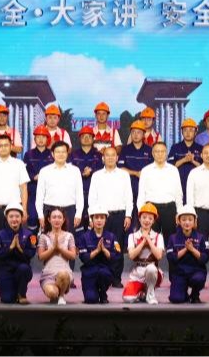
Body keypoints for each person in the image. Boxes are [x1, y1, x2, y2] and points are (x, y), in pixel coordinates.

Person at [88, 145, 133, 287]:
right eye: (107, 155)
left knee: (117, 247)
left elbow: (129, 197)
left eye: (113, 155)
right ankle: (100, 276)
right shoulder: (96, 175)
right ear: (103, 158)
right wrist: (91, 217)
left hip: (119, 215)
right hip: (101, 217)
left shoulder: (124, 175)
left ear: (117, 158)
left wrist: (128, 215)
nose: (110, 158)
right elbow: (92, 198)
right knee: (100, 246)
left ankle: (116, 278)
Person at [0, 134, 31, 236]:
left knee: (15, 241)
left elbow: (24, 189)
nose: (3, 148)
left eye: (6, 145)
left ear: (11, 146)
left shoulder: (19, 164)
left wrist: (24, 210)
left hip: (14, 210)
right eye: (1, 145)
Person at [136, 141, 184, 243]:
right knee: (151, 242)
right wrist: (141, 213)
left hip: (169, 209)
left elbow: (178, 193)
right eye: (157, 151)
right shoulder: (146, 170)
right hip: (151, 209)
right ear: (153, 153)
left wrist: (179, 212)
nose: (160, 154)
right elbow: (141, 194)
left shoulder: (173, 170)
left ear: (166, 153)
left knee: (171, 241)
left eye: (162, 151)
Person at [0, 203, 37, 304]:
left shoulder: (30, 235)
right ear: (6, 218)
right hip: (6, 270)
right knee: (7, 299)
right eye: (11, 216)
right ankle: (13, 292)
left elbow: (31, 253)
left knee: (23, 269)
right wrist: (10, 248)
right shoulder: (0, 234)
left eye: (17, 216)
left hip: (22, 269)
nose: (14, 219)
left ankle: (22, 294)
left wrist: (20, 249)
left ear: (21, 218)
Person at [36, 140, 84, 233]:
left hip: (69, 210)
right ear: (52, 154)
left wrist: (78, 214)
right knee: (48, 240)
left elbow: (79, 194)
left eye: (63, 152)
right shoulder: (44, 171)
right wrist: (40, 215)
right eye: (58, 152)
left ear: (67, 153)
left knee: (68, 240)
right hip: (49, 210)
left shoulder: (75, 171)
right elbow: (39, 195)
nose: (61, 154)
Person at [77, 206, 121, 303]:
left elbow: (116, 257)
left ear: (106, 220)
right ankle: (94, 291)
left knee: (103, 273)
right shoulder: (84, 237)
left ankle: (103, 293)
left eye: (102, 217)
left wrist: (104, 250)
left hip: (105, 271)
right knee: (91, 299)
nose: (99, 220)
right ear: (92, 219)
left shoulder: (112, 237)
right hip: (89, 272)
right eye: (96, 217)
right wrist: (97, 251)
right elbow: (83, 258)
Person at [123, 203, 164, 305]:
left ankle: (150, 293)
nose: (147, 220)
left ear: (153, 221)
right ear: (139, 218)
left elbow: (159, 256)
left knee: (151, 269)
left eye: (150, 218)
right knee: (128, 298)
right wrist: (143, 243)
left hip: (152, 270)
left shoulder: (158, 236)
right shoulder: (132, 236)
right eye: (144, 217)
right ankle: (142, 292)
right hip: (138, 272)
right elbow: (132, 255)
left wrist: (149, 241)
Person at [166, 205, 209, 304]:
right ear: (179, 221)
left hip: (196, 272)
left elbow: (205, 258)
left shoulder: (201, 237)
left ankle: (195, 294)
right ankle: (183, 293)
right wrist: (186, 249)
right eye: (184, 219)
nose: (187, 222)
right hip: (179, 273)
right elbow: (171, 258)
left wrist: (192, 249)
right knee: (176, 299)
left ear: (194, 221)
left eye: (190, 219)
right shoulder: (172, 238)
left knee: (198, 279)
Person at [38, 207, 77, 304]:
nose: (57, 220)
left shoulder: (69, 236)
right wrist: (53, 249)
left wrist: (60, 248)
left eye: (59, 217)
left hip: (64, 273)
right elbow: (41, 257)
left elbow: (73, 256)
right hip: (48, 274)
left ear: (63, 220)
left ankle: (61, 295)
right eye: (54, 217)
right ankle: (55, 293)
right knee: (52, 293)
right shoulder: (43, 236)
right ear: (49, 219)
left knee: (63, 274)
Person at [70, 126, 102, 234]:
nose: (86, 138)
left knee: (92, 225)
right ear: (79, 138)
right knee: (77, 225)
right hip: (77, 195)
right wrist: (80, 173)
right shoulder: (73, 155)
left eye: (89, 136)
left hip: (94, 196)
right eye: (84, 136)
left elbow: (103, 172)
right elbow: (69, 172)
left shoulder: (99, 155)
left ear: (93, 139)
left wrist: (92, 171)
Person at [23, 126, 54, 232]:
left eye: (43, 137)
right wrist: (33, 177)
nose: (41, 139)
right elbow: (24, 172)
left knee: (48, 220)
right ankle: (32, 241)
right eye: (38, 137)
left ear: (47, 139)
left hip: (48, 193)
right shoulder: (28, 154)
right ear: (34, 139)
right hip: (32, 192)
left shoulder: (52, 154)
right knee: (32, 219)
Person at [118, 120, 153, 208]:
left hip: (146, 187)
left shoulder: (149, 150)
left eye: (138, 132)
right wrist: (136, 173)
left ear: (143, 134)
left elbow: (153, 168)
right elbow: (120, 168)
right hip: (128, 186)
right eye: (133, 132)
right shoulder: (125, 149)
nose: (135, 135)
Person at [168, 118, 203, 202]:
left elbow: (204, 168)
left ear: (195, 132)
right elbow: (170, 167)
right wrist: (184, 159)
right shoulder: (175, 147)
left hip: (197, 187)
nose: (188, 133)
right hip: (178, 185)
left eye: (191, 130)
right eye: (185, 130)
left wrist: (193, 161)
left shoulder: (201, 148)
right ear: (182, 132)